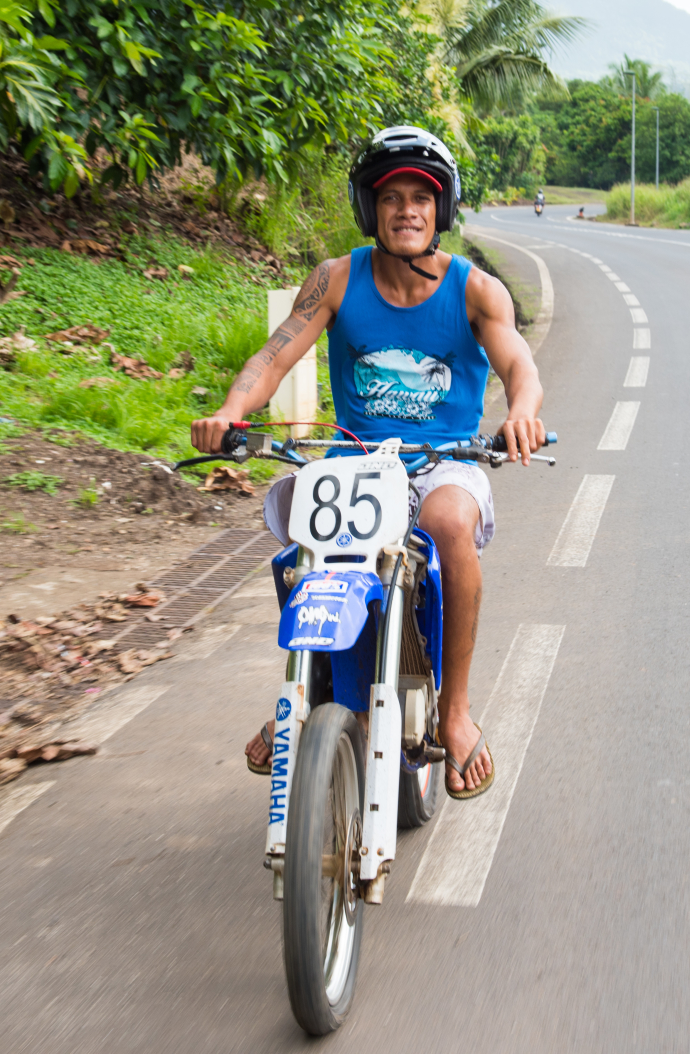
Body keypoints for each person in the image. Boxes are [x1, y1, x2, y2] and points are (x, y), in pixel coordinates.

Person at [191, 126, 547, 800]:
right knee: (303, 537)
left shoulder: (477, 290)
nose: (407, 209)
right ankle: (305, 692)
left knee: (448, 522)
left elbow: (519, 366)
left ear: (440, 212)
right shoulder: (335, 277)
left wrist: (522, 412)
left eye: (421, 197)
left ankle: (456, 710)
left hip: (446, 459)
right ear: (370, 209)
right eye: (392, 198)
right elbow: (273, 357)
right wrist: (231, 413)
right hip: (355, 460)